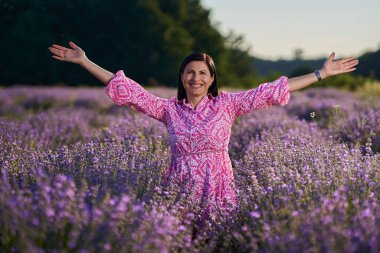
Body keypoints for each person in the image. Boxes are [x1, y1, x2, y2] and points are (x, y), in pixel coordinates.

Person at [48, 42, 359, 218]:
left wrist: (321, 73)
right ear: (182, 77)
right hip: (179, 188)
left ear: (212, 79)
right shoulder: (168, 110)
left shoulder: (228, 105)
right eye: (190, 72)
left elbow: (272, 89)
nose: (196, 78)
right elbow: (129, 90)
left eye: (202, 73)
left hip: (219, 186)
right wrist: (85, 62)